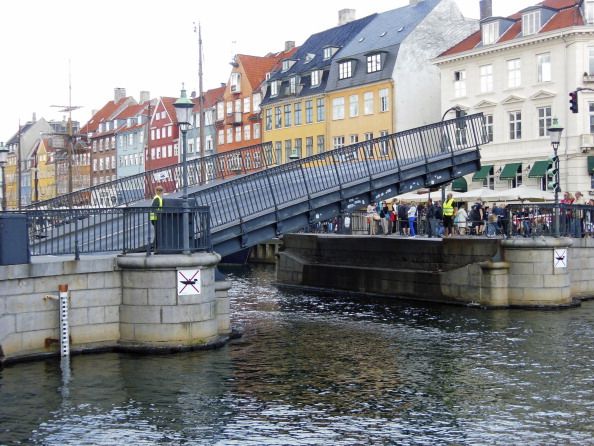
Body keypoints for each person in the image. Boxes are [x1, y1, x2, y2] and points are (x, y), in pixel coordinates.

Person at [150, 185, 164, 250]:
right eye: (159, 190)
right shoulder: (157, 198)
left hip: (155, 217)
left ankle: (155, 246)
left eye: (160, 190)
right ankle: (155, 246)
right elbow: (154, 209)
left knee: (158, 232)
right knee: (158, 232)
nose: (159, 192)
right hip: (157, 217)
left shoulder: (156, 198)